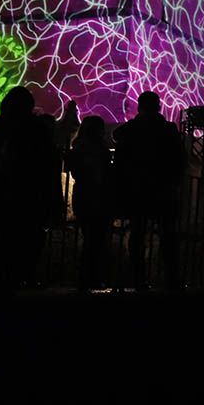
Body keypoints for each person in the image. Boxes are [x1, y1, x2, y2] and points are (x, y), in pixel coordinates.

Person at [113, 91, 185, 290]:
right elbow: (180, 161)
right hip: (163, 190)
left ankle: (138, 279)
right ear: (159, 107)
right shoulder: (168, 131)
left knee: (137, 234)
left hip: (136, 190)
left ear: (139, 106)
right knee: (167, 234)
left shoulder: (130, 130)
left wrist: (120, 187)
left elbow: (119, 162)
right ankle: (171, 279)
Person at [0, 87, 57, 290]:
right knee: (29, 241)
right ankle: (25, 279)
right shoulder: (37, 130)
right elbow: (48, 165)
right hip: (30, 196)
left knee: (2, 240)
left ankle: (0, 282)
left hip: (2, 195)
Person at [66, 116, 113, 290]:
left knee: (91, 238)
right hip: (97, 197)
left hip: (83, 196)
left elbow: (78, 172)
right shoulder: (98, 149)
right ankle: (92, 277)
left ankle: (86, 278)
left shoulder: (78, 148)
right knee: (96, 240)